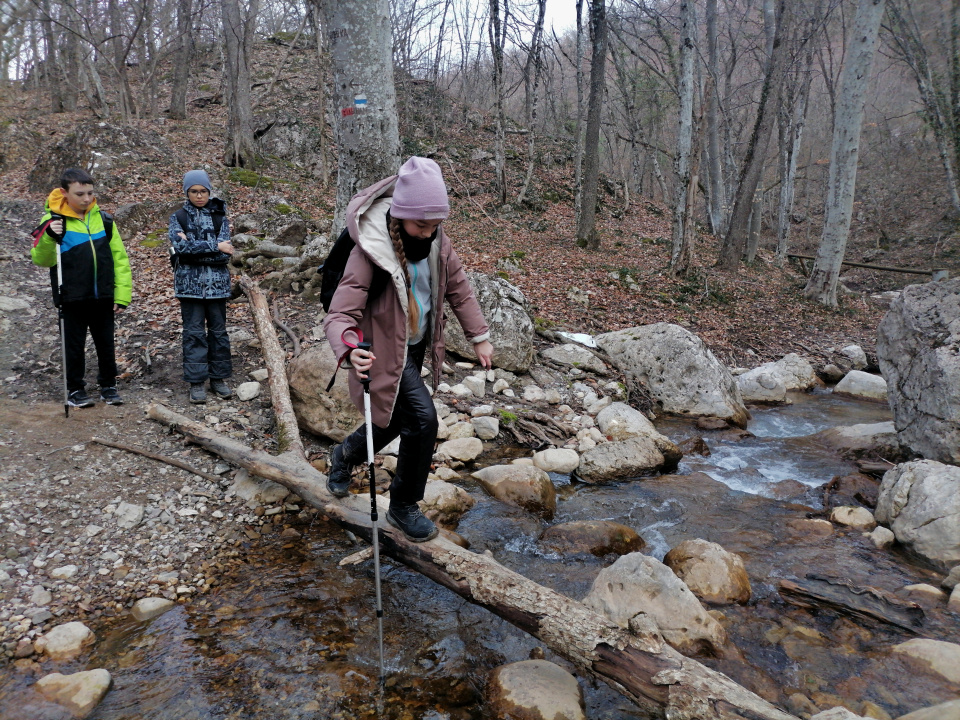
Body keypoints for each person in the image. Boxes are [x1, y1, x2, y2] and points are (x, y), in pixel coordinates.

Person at [324, 156, 494, 542]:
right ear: (400, 215)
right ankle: (403, 505)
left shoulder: (437, 241)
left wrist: (478, 335)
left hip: (414, 347)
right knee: (423, 421)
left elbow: (459, 288)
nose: (429, 232)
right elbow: (339, 314)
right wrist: (349, 349)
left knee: (397, 420)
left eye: (436, 224)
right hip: (383, 352)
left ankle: (344, 456)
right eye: (421, 224)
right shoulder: (370, 248)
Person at [31, 168, 131, 408]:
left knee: (106, 344)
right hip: (72, 297)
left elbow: (120, 258)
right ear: (64, 193)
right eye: (80, 194)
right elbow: (41, 259)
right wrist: (48, 237)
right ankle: (75, 389)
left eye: (90, 193)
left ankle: (109, 385)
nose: (86, 199)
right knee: (73, 346)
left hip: (103, 295)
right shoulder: (53, 222)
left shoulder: (104, 220)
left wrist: (122, 293)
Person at [168, 170, 235, 404]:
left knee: (218, 333)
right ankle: (196, 382)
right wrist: (215, 247)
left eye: (203, 191)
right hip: (189, 287)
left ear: (209, 191)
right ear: (187, 192)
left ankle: (218, 378)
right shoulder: (178, 217)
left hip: (217, 286)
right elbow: (180, 249)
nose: (199, 195)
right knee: (194, 333)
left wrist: (197, 249)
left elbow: (225, 254)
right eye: (194, 191)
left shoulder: (220, 217)